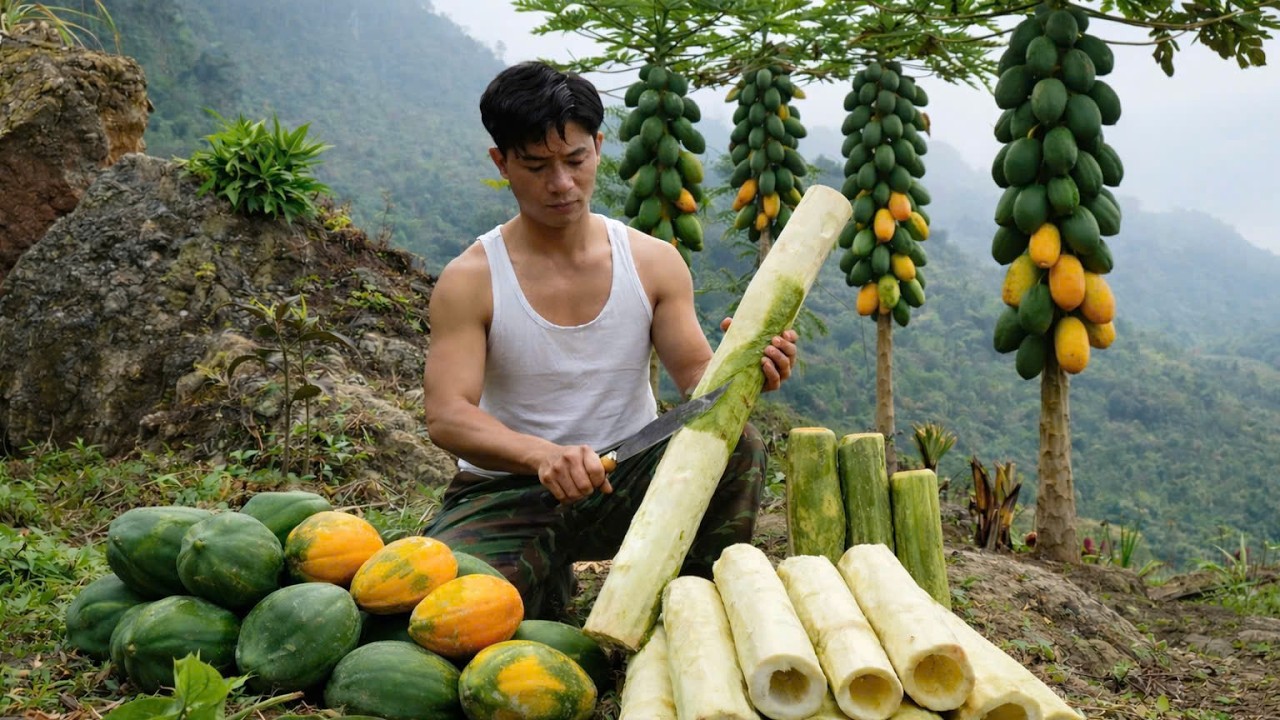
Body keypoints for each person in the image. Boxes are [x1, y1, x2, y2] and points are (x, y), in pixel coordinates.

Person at [421, 60, 799, 620]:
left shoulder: (652, 262)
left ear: (598, 145)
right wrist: (544, 456)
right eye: (536, 165)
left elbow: (698, 378)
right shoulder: (471, 279)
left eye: (576, 159)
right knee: (451, 617)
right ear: (502, 162)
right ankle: (547, 577)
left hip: (626, 476)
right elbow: (448, 416)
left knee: (736, 446)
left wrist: (750, 365)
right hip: (506, 490)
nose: (562, 184)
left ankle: (691, 604)